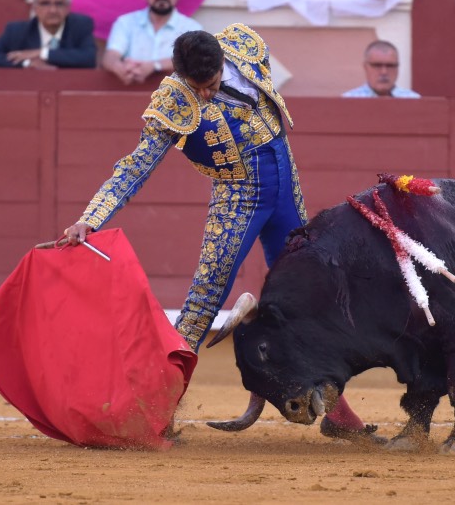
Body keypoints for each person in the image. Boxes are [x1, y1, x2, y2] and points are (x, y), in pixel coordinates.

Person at [62, 24, 381, 444]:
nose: (206, 95)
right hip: (238, 197)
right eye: (197, 89)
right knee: (202, 302)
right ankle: (155, 414)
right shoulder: (173, 99)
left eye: (210, 85)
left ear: (222, 64)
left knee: (312, 296)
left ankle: (339, 415)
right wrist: (92, 216)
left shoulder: (245, 45)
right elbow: (135, 166)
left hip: (285, 186)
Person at [101, 0, 203, 84]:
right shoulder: (126, 22)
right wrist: (119, 68)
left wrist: (155, 66)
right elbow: (110, 56)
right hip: (130, 91)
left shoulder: (192, 29)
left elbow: (195, 61)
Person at [342, 40, 420, 97]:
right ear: (365, 67)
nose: (384, 72)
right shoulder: (349, 100)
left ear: (397, 68)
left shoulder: (413, 100)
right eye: (377, 65)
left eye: (390, 66)